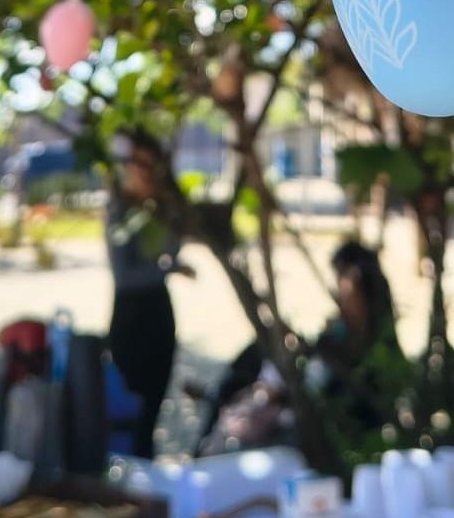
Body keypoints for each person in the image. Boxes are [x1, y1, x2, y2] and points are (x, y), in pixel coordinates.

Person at [193, 240, 401, 455]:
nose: (340, 298)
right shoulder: (342, 331)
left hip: (326, 420)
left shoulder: (372, 345)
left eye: (348, 295)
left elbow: (334, 386)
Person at [105, 132, 193, 458]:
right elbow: (125, 275)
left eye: (150, 165)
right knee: (132, 412)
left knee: (152, 413)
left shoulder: (161, 209)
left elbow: (170, 249)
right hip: (131, 317)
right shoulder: (118, 209)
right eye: (137, 163)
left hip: (159, 314)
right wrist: (168, 269)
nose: (143, 171)